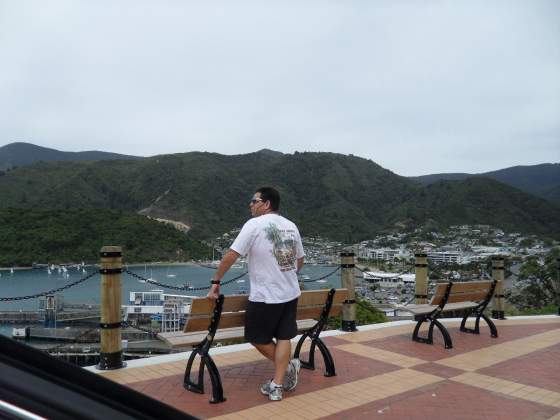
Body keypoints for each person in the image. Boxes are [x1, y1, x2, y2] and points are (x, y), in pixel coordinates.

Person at [207, 186, 304, 401]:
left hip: (266, 296)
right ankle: (277, 385)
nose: (250, 204)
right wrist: (285, 275)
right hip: (290, 293)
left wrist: (216, 281)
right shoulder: (291, 225)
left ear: (266, 204)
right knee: (284, 336)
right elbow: (300, 260)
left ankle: (286, 369)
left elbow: (232, 254)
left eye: (254, 200)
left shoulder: (255, 225)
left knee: (256, 337)